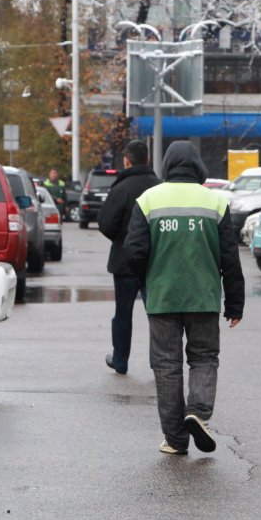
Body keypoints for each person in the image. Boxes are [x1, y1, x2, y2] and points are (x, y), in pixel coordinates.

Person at [124, 140, 244, 455]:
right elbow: (230, 258)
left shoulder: (148, 200)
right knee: (204, 357)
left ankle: (176, 439)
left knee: (166, 365)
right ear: (198, 166)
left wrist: (148, 281)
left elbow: (133, 251)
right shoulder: (215, 202)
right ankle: (199, 412)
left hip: (162, 297)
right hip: (203, 298)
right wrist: (235, 303)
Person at [97, 140, 161, 375]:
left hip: (124, 262)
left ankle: (120, 360)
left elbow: (105, 223)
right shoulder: (159, 188)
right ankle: (158, 362)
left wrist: (122, 239)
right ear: (147, 159)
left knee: (122, 314)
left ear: (126, 160)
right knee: (156, 314)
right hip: (154, 263)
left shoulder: (121, 188)